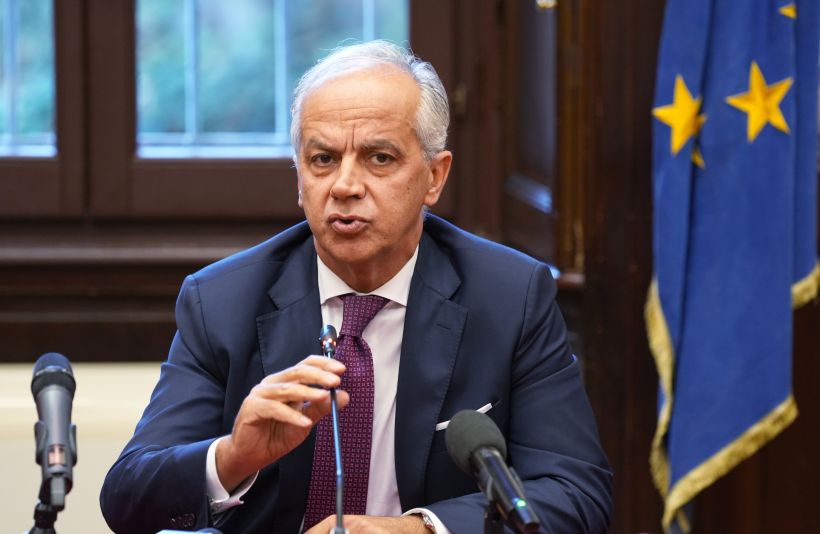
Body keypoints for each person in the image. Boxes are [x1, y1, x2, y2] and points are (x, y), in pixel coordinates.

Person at [100, 40, 612, 534]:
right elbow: (127, 499)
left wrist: (417, 531)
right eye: (323, 159)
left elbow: (575, 490)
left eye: (379, 158)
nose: (344, 185)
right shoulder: (222, 302)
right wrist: (234, 456)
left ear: (434, 177)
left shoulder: (509, 297)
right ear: (299, 178)